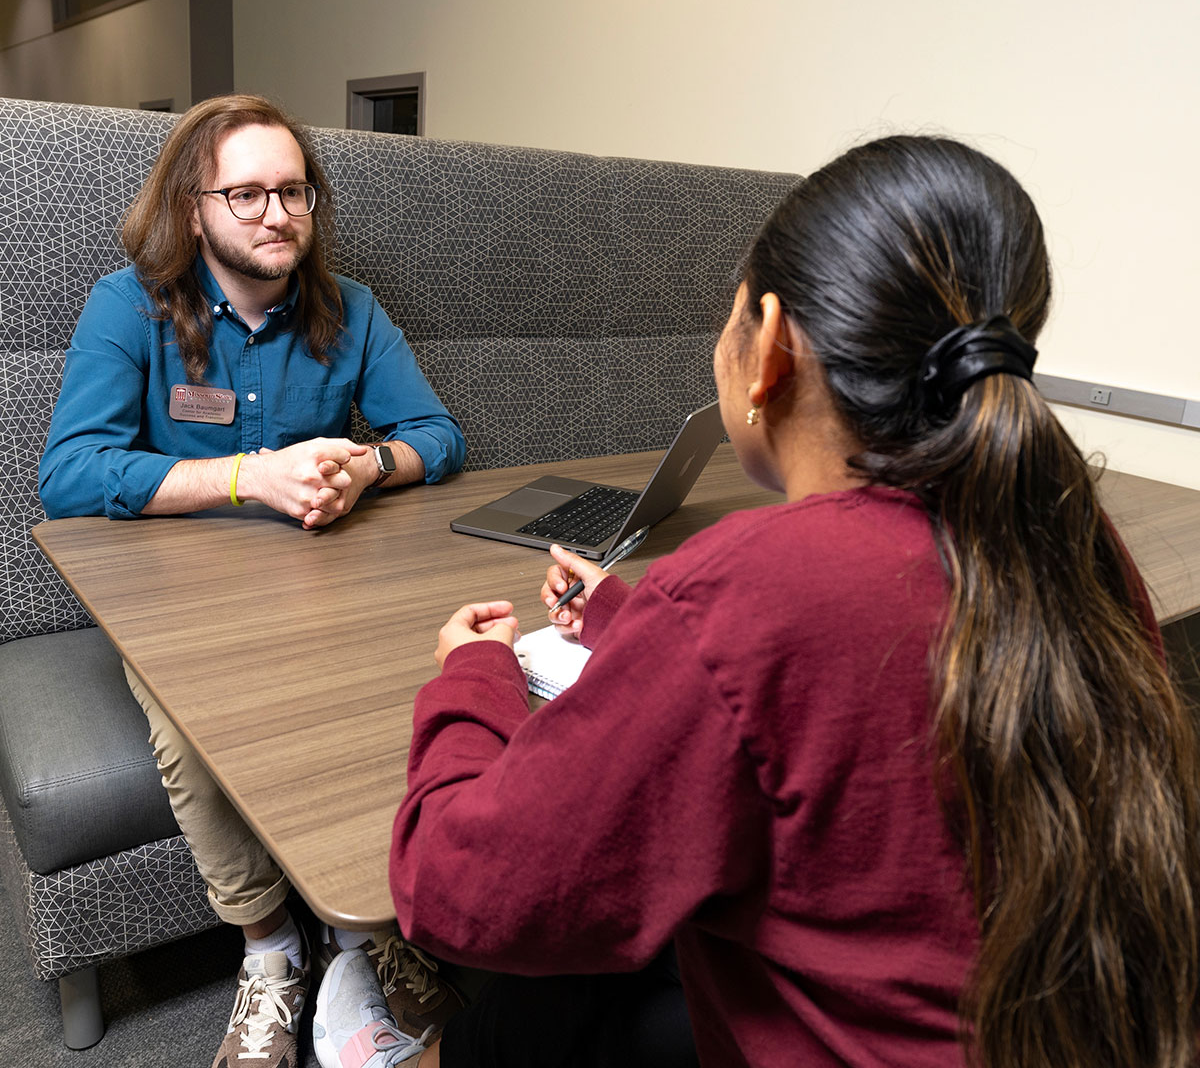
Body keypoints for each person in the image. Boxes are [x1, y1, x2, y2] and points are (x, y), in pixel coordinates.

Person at [352, 135, 1198, 1067]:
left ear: (772, 345)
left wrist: (476, 679)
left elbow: (458, 888)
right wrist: (642, 625)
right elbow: (845, 689)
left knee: (534, 996)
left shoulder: (751, 588)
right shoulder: (1068, 531)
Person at [38, 94, 468, 1068]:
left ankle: (363, 928)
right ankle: (269, 946)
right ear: (195, 209)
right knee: (194, 736)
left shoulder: (352, 309)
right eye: (247, 194)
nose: (278, 214)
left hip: (329, 583)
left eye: (294, 191)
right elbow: (67, 475)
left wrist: (369, 466)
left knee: (420, 677)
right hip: (178, 602)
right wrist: (245, 477)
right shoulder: (130, 306)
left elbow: (438, 438)